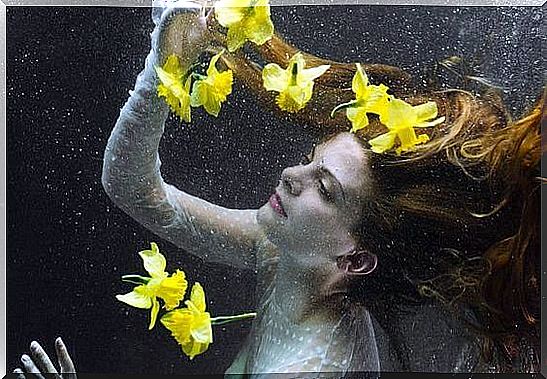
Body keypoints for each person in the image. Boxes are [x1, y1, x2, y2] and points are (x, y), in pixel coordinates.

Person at [14, 0, 542, 376]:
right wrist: (163, 68)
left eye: (325, 187)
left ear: (355, 259)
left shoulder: (309, 368)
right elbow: (133, 189)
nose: (291, 175)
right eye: (312, 160)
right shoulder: (286, 255)